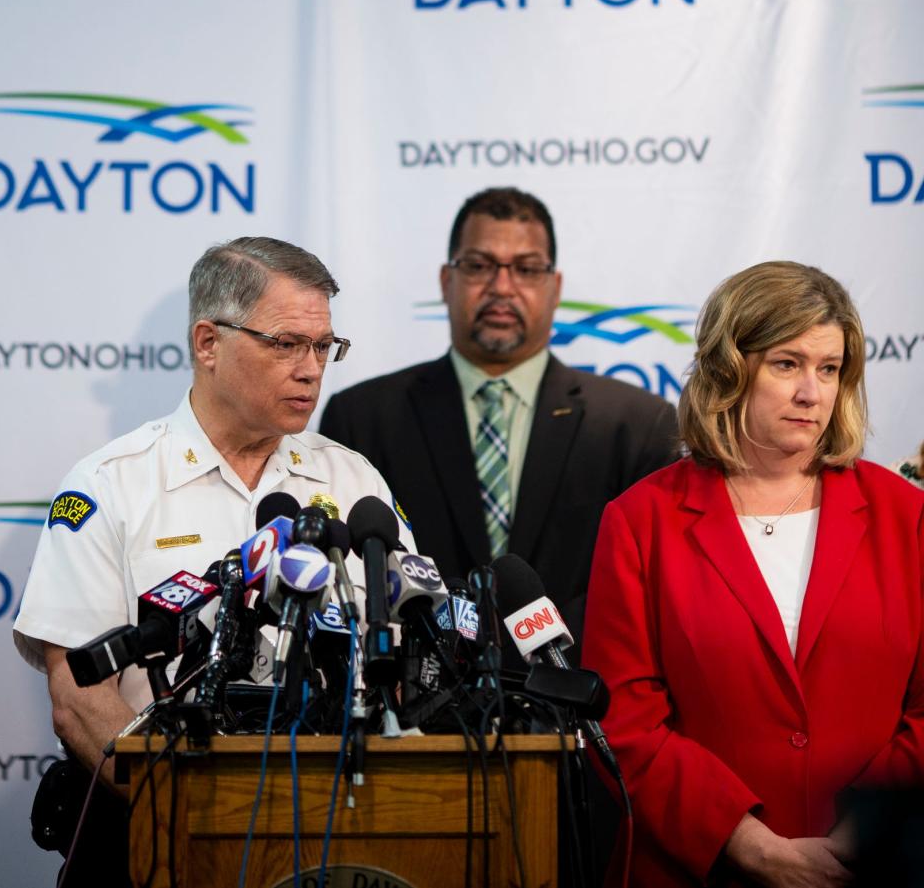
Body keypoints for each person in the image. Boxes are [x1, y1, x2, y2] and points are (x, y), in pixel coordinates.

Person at [15, 236, 413, 788]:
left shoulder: (354, 481)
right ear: (208, 342)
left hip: (339, 820)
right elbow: (78, 698)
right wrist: (188, 812)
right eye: (287, 344)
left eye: (324, 346)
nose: (311, 369)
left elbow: (411, 657)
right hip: (170, 829)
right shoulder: (111, 485)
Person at [582, 261, 924, 888]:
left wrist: (863, 832)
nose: (812, 392)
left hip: (878, 866)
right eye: (787, 364)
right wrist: (752, 846)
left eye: (830, 369)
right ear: (728, 370)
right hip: (698, 868)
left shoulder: (907, 517)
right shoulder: (640, 521)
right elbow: (623, 720)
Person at [321, 186, 679, 651]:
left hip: (582, 695)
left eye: (527, 269)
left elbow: (649, 586)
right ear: (446, 281)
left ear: (556, 287)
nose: (502, 287)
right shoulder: (363, 417)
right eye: (478, 266)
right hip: (415, 703)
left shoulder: (636, 424)